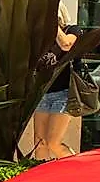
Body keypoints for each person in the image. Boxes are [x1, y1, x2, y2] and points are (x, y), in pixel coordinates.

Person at [21, 9, 82, 162]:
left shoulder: (73, 30)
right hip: (43, 93)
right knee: (40, 144)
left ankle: (76, 169)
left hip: (64, 93)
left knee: (53, 142)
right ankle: (43, 180)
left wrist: (52, 24)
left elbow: (66, 44)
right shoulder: (41, 37)